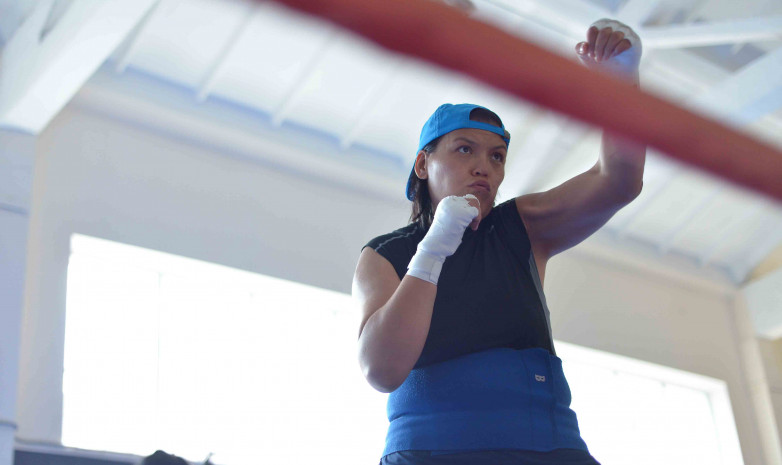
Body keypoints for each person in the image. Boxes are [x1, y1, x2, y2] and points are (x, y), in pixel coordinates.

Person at [352, 18, 645, 465]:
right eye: (464, 149)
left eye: (497, 156)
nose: (483, 166)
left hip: (549, 447)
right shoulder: (384, 254)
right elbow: (381, 369)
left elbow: (617, 180)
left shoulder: (519, 227)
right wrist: (434, 248)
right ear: (423, 164)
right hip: (435, 451)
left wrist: (621, 85)